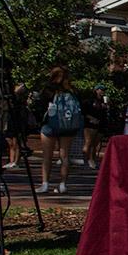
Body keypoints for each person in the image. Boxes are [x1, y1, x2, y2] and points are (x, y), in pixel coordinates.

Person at [37, 66, 83, 195]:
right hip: (68, 125)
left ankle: (45, 183)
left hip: (50, 124)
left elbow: (40, 104)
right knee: (64, 156)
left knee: (47, 156)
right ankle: (63, 184)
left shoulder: (49, 89)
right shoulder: (72, 90)